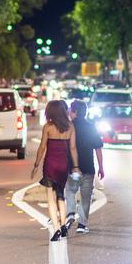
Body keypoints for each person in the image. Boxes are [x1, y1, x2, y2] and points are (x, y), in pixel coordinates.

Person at [30, 100, 79, 242]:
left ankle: (57, 229)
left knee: (51, 199)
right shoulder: (70, 127)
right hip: (64, 165)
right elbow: (73, 149)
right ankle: (64, 226)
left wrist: (36, 164)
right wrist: (75, 166)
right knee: (60, 196)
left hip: (50, 165)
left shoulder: (48, 127)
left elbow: (42, 147)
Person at [65, 100, 104, 234]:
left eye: (70, 109)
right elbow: (98, 148)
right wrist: (101, 167)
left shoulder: (68, 127)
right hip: (88, 168)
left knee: (70, 191)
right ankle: (82, 224)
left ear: (75, 112)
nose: (69, 112)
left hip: (72, 168)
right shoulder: (91, 127)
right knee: (85, 196)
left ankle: (70, 212)